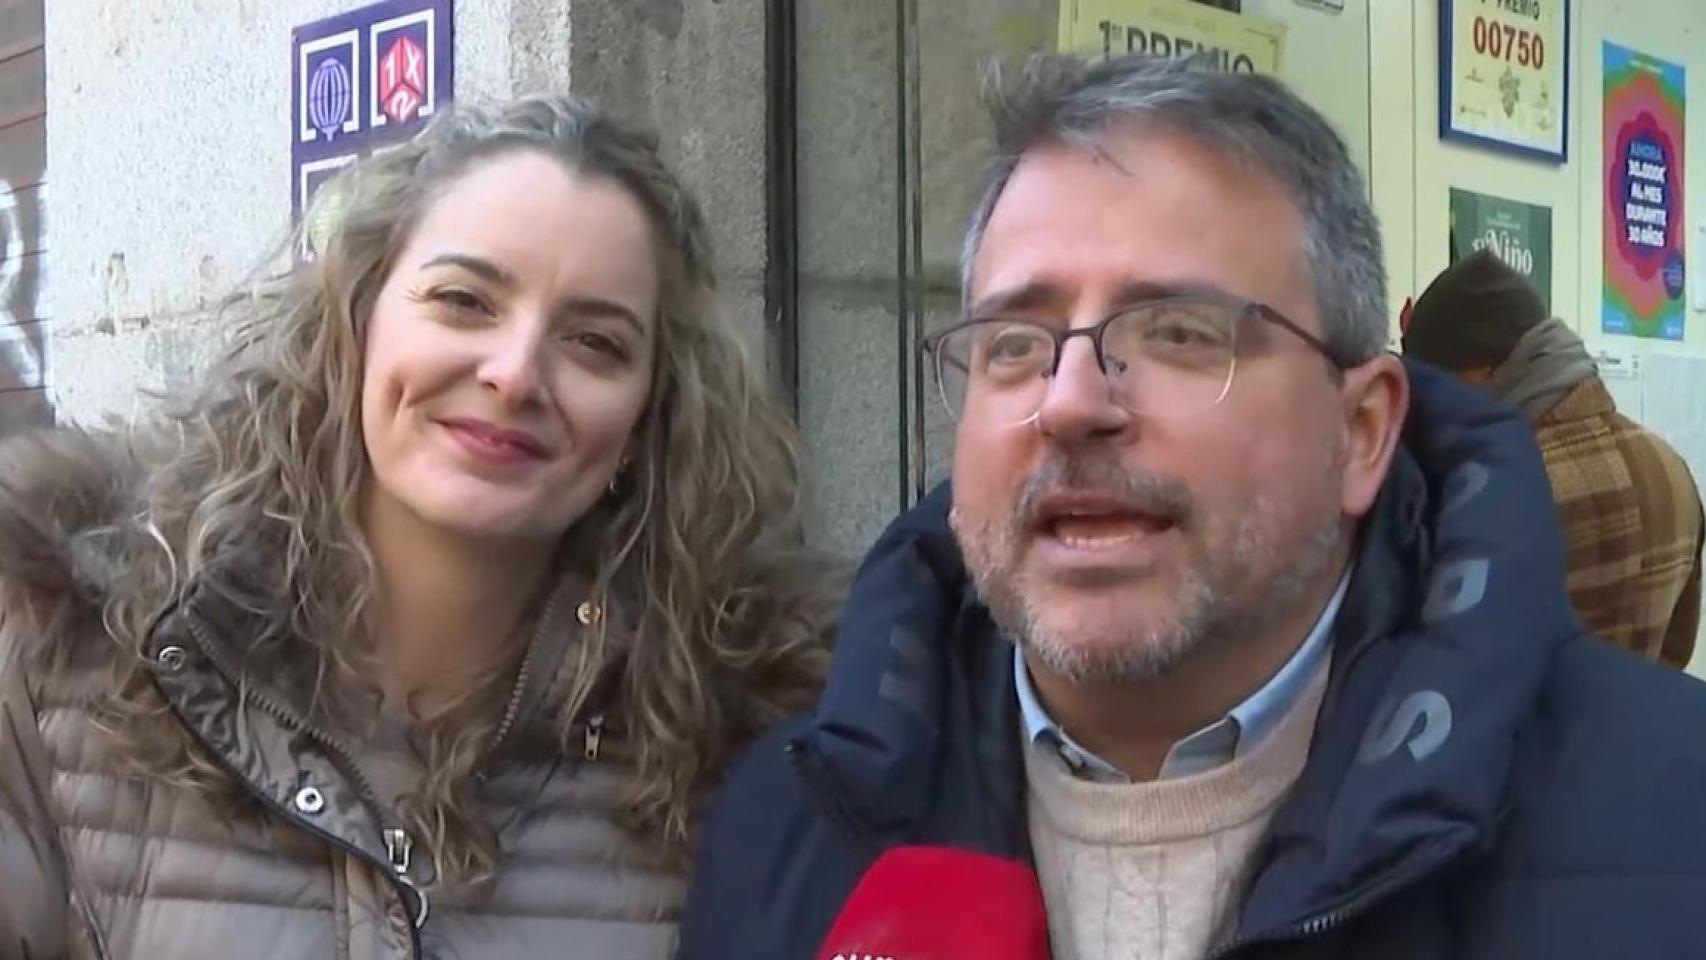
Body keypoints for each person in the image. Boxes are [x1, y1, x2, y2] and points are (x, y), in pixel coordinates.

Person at [678, 54, 1706, 959]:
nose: (1069, 402)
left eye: (1176, 332)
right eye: (1013, 345)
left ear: (1359, 433)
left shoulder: (1669, 823)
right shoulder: (785, 834)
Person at [0, 94, 837, 959]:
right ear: (356, 325)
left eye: (595, 343)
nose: (515, 374)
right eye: (464, 301)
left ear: (646, 420)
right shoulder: (70, 653)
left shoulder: (737, 742)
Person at [1402, 249, 1703, 667]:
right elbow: (1677, 650)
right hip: (1638, 708)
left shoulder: (1490, 502)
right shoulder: (1670, 468)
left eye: (1439, 384)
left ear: (1487, 370)